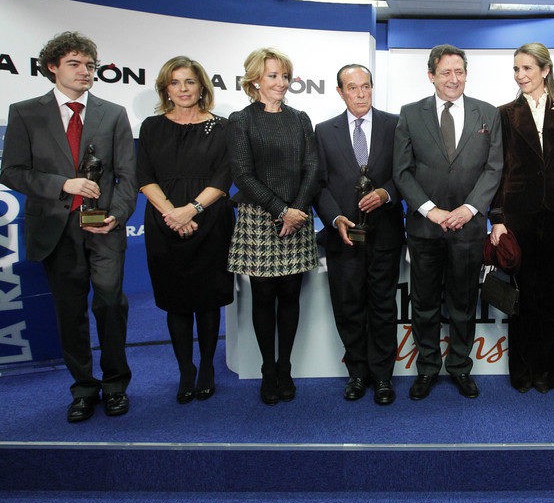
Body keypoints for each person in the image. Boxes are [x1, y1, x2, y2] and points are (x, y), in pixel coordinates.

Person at [0, 32, 137, 422]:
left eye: (90, 66)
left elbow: (127, 175)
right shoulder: (25, 112)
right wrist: (62, 183)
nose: (85, 72)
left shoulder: (112, 113)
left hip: (105, 227)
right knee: (70, 311)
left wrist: (119, 214)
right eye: (75, 64)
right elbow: (10, 171)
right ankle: (82, 388)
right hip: (56, 229)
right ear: (53, 67)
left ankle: (115, 386)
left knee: (111, 305)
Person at [393, 44, 503, 400]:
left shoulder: (488, 113)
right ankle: (427, 368)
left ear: (466, 74)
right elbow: (402, 171)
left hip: (469, 228)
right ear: (431, 76)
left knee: (463, 302)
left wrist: (470, 209)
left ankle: (459, 366)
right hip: (425, 228)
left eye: (459, 72)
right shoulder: (410, 114)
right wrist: (430, 209)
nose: (454, 79)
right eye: (446, 73)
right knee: (424, 304)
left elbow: (494, 168)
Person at [137, 56, 234, 404]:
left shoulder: (223, 127)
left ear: (201, 86)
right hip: (164, 224)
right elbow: (144, 177)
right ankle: (185, 371)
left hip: (210, 222)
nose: (183, 89)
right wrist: (172, 214)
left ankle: (206, 367)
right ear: (166, 88)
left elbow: (225, 178)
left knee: (208, 302)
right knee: (176, 302)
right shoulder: (151, 126)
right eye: (175, 83)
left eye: (189, 82)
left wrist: (191, 210)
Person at [227, 48, 319, 406]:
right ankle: (268, 369)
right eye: (272, 76)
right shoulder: (240, 120)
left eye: (284, 76)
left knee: (290, 296)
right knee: (263, 298)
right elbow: (242, 175)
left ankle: (285, 366)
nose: (281, 82)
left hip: (296, 217)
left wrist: (295, 210)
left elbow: (313, 169)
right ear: (254, 80)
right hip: (259, 217)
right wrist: (282, 210)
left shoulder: (300, 118)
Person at [489, 43, 554, 394]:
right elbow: (497, 169)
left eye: (527, 68)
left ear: (545, 70)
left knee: (550, 295)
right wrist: (496, 217)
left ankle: (547, 371)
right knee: (522, 295)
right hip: (518, 217)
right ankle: (521, 370)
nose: (521, 75)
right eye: (516, 69)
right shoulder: (505, 113)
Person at [314, 64, 404, 406]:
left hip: (386, 234)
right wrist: (335, 217)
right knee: (348, 307)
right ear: (340, 91)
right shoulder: (323, 131)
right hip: (343, 236)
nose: (361, 93)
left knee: (383, 307)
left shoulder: (395, 125)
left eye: (365, 86)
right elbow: (318, 184)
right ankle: (357, 373)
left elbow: (406, 174)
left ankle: (382, 377)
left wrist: (386, 194)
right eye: (352, 88)